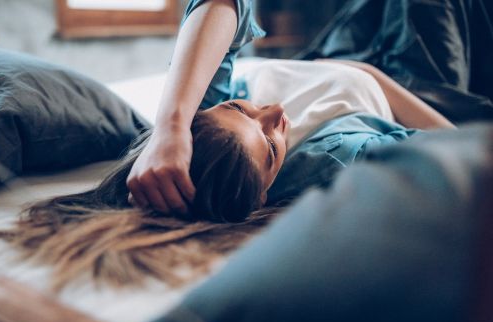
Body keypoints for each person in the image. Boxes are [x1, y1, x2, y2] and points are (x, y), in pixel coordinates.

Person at [125, 0, 464, 216]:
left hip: (327, 59)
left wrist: (172, 125)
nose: (274, 111)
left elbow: (228, 4)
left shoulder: (205, 128)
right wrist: (369, 74)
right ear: (261, 196)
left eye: (240, 109)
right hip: (402, 81)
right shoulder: (331, 161)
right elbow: (458, 148)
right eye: (271, 146)